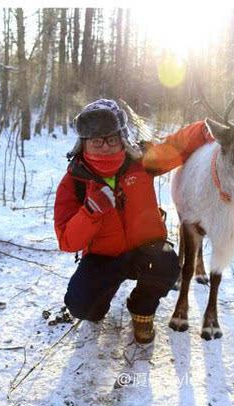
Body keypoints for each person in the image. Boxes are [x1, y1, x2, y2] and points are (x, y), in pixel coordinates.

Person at [53, 99, 212, 344]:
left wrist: (204, 129)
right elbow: (67, 241)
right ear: (83, 143)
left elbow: (175, 147)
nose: (105, 147)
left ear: (121, 138)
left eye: (111, 139)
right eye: (97, 141)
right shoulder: (74, 181)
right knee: (82, 307)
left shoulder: (141, 161)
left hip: (146, 251)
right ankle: (103, 296)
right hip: (103, 257)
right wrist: (91, 212)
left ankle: (141, 309)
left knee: (168, 264)